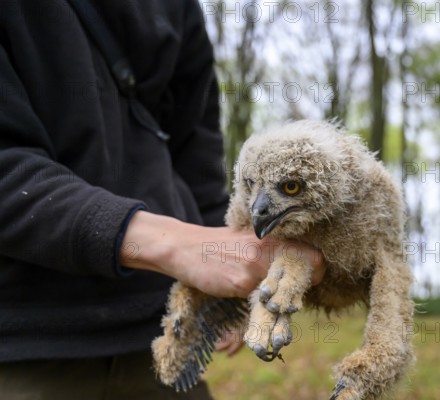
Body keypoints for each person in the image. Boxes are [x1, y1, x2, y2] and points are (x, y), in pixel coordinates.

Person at [0, 1, 324, 399]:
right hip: (24, 340)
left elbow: (195, 148)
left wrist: (226, 275)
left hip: (160, 334)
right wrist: (171, 244)